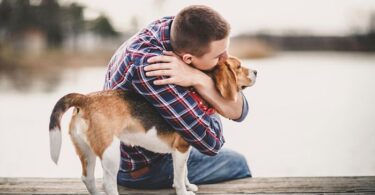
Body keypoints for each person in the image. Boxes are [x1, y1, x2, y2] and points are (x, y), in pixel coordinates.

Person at [103, 5, 251, 189]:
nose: (226, 59)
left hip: (169, 145)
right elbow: (212, 143)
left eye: (226, 50)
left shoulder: (177, 28)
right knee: (238, 163)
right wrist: (207, 85)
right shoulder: (155, 68)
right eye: (218, 56)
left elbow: (240, 111)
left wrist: (200, 80)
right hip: (144, 168)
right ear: (188, 59)